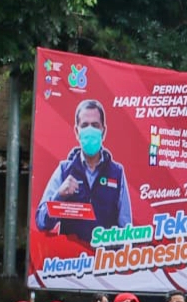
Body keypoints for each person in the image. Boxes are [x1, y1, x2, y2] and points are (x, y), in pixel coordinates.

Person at [35, 99, 132, 243]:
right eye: (85, 125)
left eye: (95, 125)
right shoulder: (64, 170)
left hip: (104, 262)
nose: (90, 130)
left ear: (103, 131)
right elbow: (42, 223)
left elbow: (126, 229)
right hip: (71, 262)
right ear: (77, 131)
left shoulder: (117, 172)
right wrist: (59, 196)